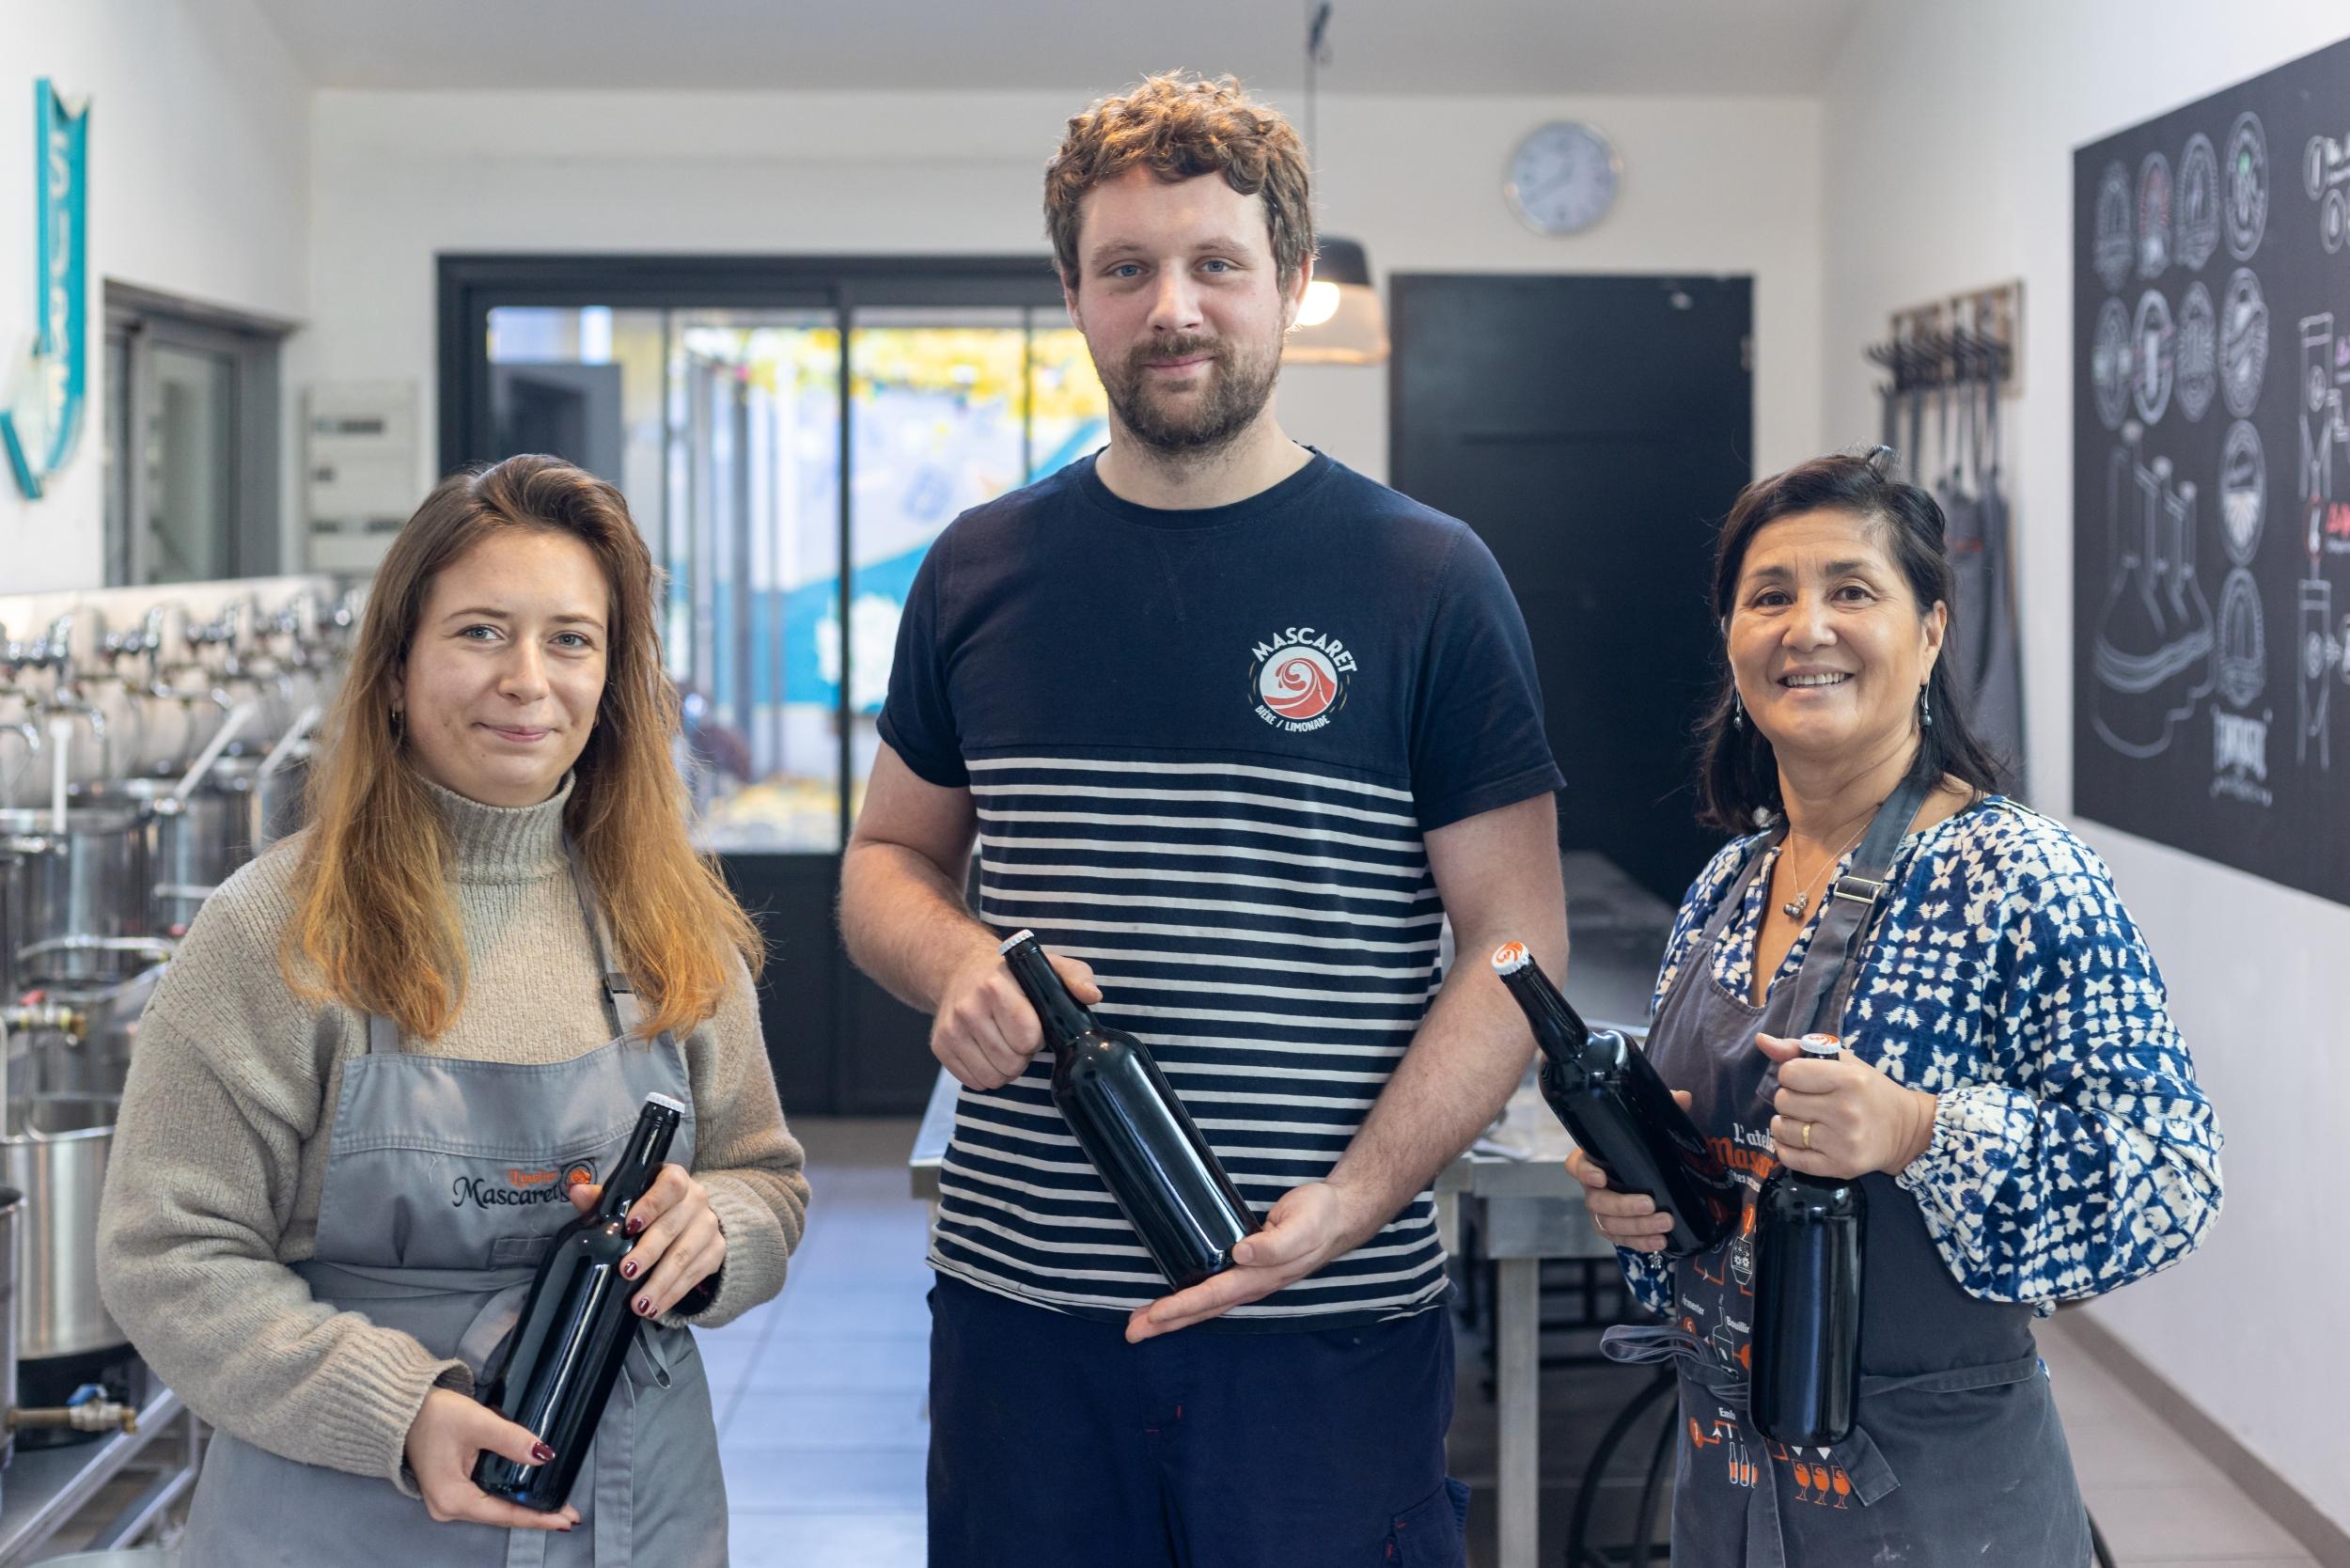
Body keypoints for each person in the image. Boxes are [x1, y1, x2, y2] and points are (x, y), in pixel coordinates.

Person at [838, 71, 1566, 1568]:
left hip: (1326, 1326)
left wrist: (1355, 1202)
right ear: (1075, 296)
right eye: (1127, 269)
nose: (1172, 309)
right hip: (1027, 1320)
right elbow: (886, 861)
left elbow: (1514, 947)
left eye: (1215, 264)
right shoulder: (977, 571)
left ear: (1290, 282)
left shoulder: (1429, 580)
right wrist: (955, 961)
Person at [98, 455, 809, 1567]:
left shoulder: (669, 918)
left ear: (612, 680)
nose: (528, 680)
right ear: (394, 668)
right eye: (481, 632)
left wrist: (719, 1230)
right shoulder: (273, 931)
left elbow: (765, 1177)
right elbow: (167, 1254)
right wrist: (395, 1409)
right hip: (343, 1515)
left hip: (635, 1511)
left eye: (570, 640)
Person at [1567, 449, 2223, 1564]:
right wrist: (1645, 1198)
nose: (1807, 627)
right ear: (1730, 638)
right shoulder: (1725, 887)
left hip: (1937, 1513)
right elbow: (1704, 1239)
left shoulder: (2016, 876)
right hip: (1727, 1495)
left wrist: (1920, 1131)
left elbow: (2168, 1179)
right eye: (1769, 596)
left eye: (1851, 590)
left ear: (1928, 633)